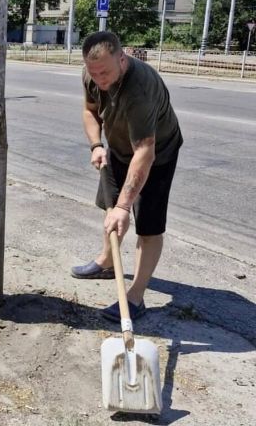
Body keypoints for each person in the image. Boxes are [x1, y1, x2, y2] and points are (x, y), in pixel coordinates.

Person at [71, 31, 183, 322]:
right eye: (93, 73)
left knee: (147, 225)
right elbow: (89, 111)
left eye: (105, 72)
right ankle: (107, 262)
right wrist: (96, 144)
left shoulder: (139, 89)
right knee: (110, 208)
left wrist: (125, 207)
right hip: (118, 148)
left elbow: (145, 151)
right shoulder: (92, 74)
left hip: (157, 154)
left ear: (122, 59)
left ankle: (135, 296)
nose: (99, 79)